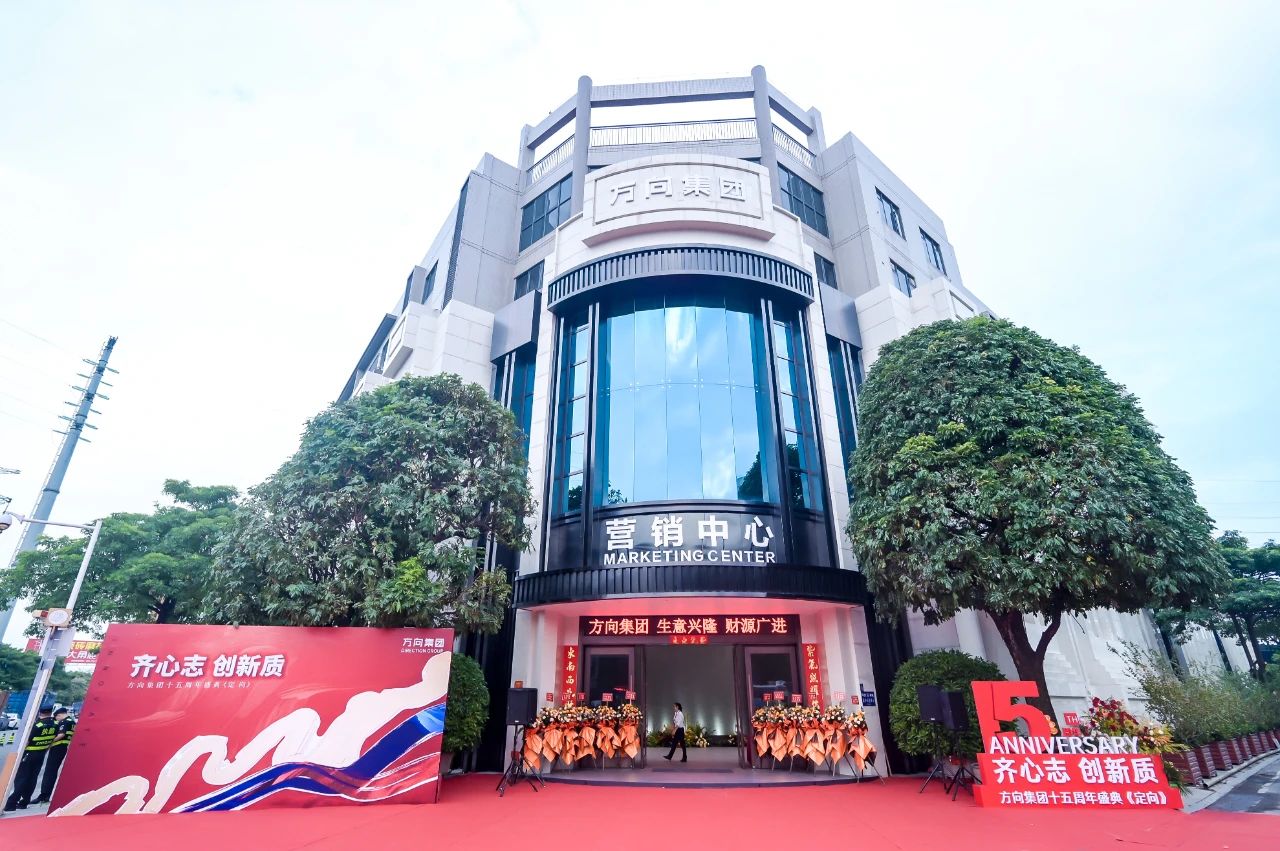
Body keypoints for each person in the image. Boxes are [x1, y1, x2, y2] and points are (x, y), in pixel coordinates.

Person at [3, 705, 58, 812]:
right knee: (32, 778)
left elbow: (26, 742)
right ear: (51, 712)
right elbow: (52, 739)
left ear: (40, 712)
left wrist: (19, 754)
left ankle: (11, 804)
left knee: (21, 778)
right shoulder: (55, 724)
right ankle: (24, 802)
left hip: (29, 755)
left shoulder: (37, 725)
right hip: (41, 754)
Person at [34, 708, 75, 805]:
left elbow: (61, 734)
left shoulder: (64, 722)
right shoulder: (72, 721)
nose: (57, 720)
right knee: (52, 771)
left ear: (59, 715)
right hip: (63, 748)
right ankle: (45, 795)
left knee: (49, 772)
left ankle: (44, 795)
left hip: (57, 748)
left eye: (56, 718)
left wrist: (49, 742)